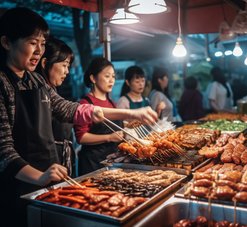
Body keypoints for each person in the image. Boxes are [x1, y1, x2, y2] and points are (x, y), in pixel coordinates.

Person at [0, 8, 157, 227]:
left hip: (49, 181)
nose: (39, 51)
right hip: (20, 185)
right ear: (7, 42)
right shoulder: (3, 84)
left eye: (42, 43)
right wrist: (39, 177)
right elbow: (3, 151)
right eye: (32, 42)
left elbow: (67, 108)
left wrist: (129, 112)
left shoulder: (35, 81)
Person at [74, 58, 124, 176]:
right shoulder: (84, 104)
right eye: (107, 76)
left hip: (112, 162)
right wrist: (109, 137)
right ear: (93, 78)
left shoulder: (112, 103)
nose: (111, 80)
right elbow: (81, 137)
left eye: (113, 76)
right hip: (92, 163)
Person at [35, 36, 76, 177]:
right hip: (43, 167)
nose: (67, 71)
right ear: (45, 63)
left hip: (58, 164)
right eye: (64, 65)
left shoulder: (51, 90)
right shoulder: (36, 91)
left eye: (68, 66)